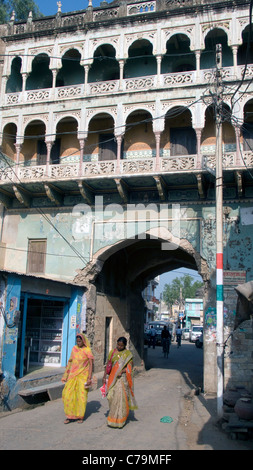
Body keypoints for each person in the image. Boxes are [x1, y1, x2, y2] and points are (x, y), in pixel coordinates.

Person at [103, 336, 138, 428]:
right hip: (112, 378)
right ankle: (113, 416)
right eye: (118, 345)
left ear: (125, 346)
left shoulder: (127, 354)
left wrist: (121, 371)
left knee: (120, 399)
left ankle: (119, 420)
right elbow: (108, 365)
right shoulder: (112, 352)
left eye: (121, 346)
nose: (119, 347)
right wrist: (104, 376)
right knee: (111, 397)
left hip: (122, 379)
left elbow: (130, 367)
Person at [61, 333, 94, 424]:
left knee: (81, 397)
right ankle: (69, 416)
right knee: (68, 395)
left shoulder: (87, 350)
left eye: (80, 341)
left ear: (83, 341)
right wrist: (66, 375)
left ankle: (80, 416)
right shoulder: (74, 349)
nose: (78, 343)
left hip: (83, 376)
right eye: (77, 341)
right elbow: (70, 362)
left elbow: (91, 364)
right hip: (73, 375)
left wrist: (89, 377)